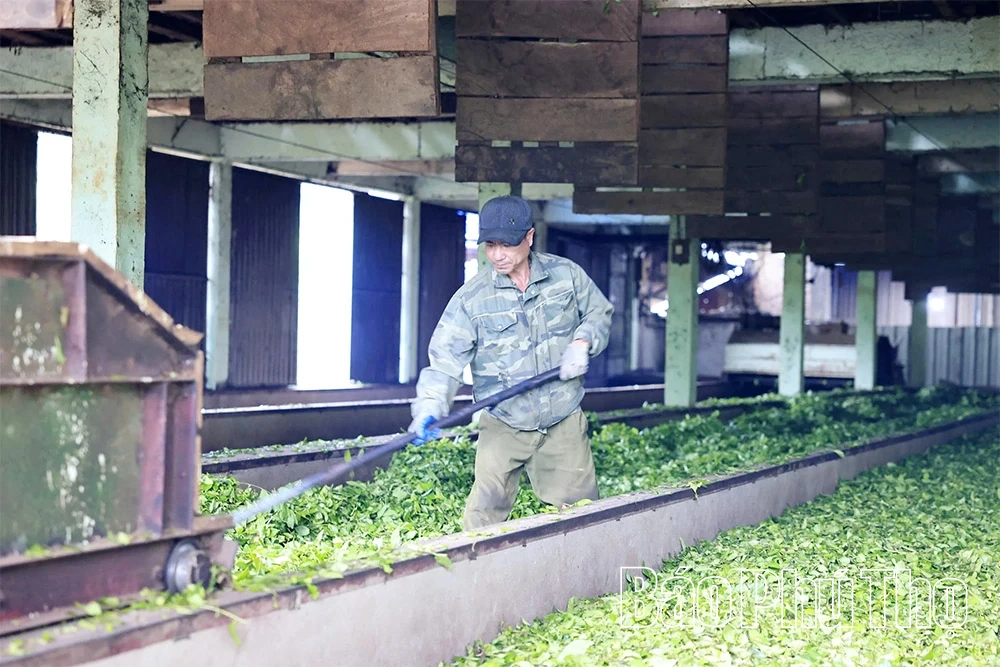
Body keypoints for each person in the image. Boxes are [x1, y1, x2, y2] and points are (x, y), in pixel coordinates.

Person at [408, 195, 614, 530]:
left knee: (582, 517)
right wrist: (429, 405)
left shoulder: (566, 277)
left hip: (562, 419)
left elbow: (599, 312)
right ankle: (478, 577)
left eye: (507, 244)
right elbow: (444, 359)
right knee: (481, 518)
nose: (498, 255)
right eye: (490, 245)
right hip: (504, 421)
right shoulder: (472, 299)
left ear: (529, 237)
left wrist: (583, 340)